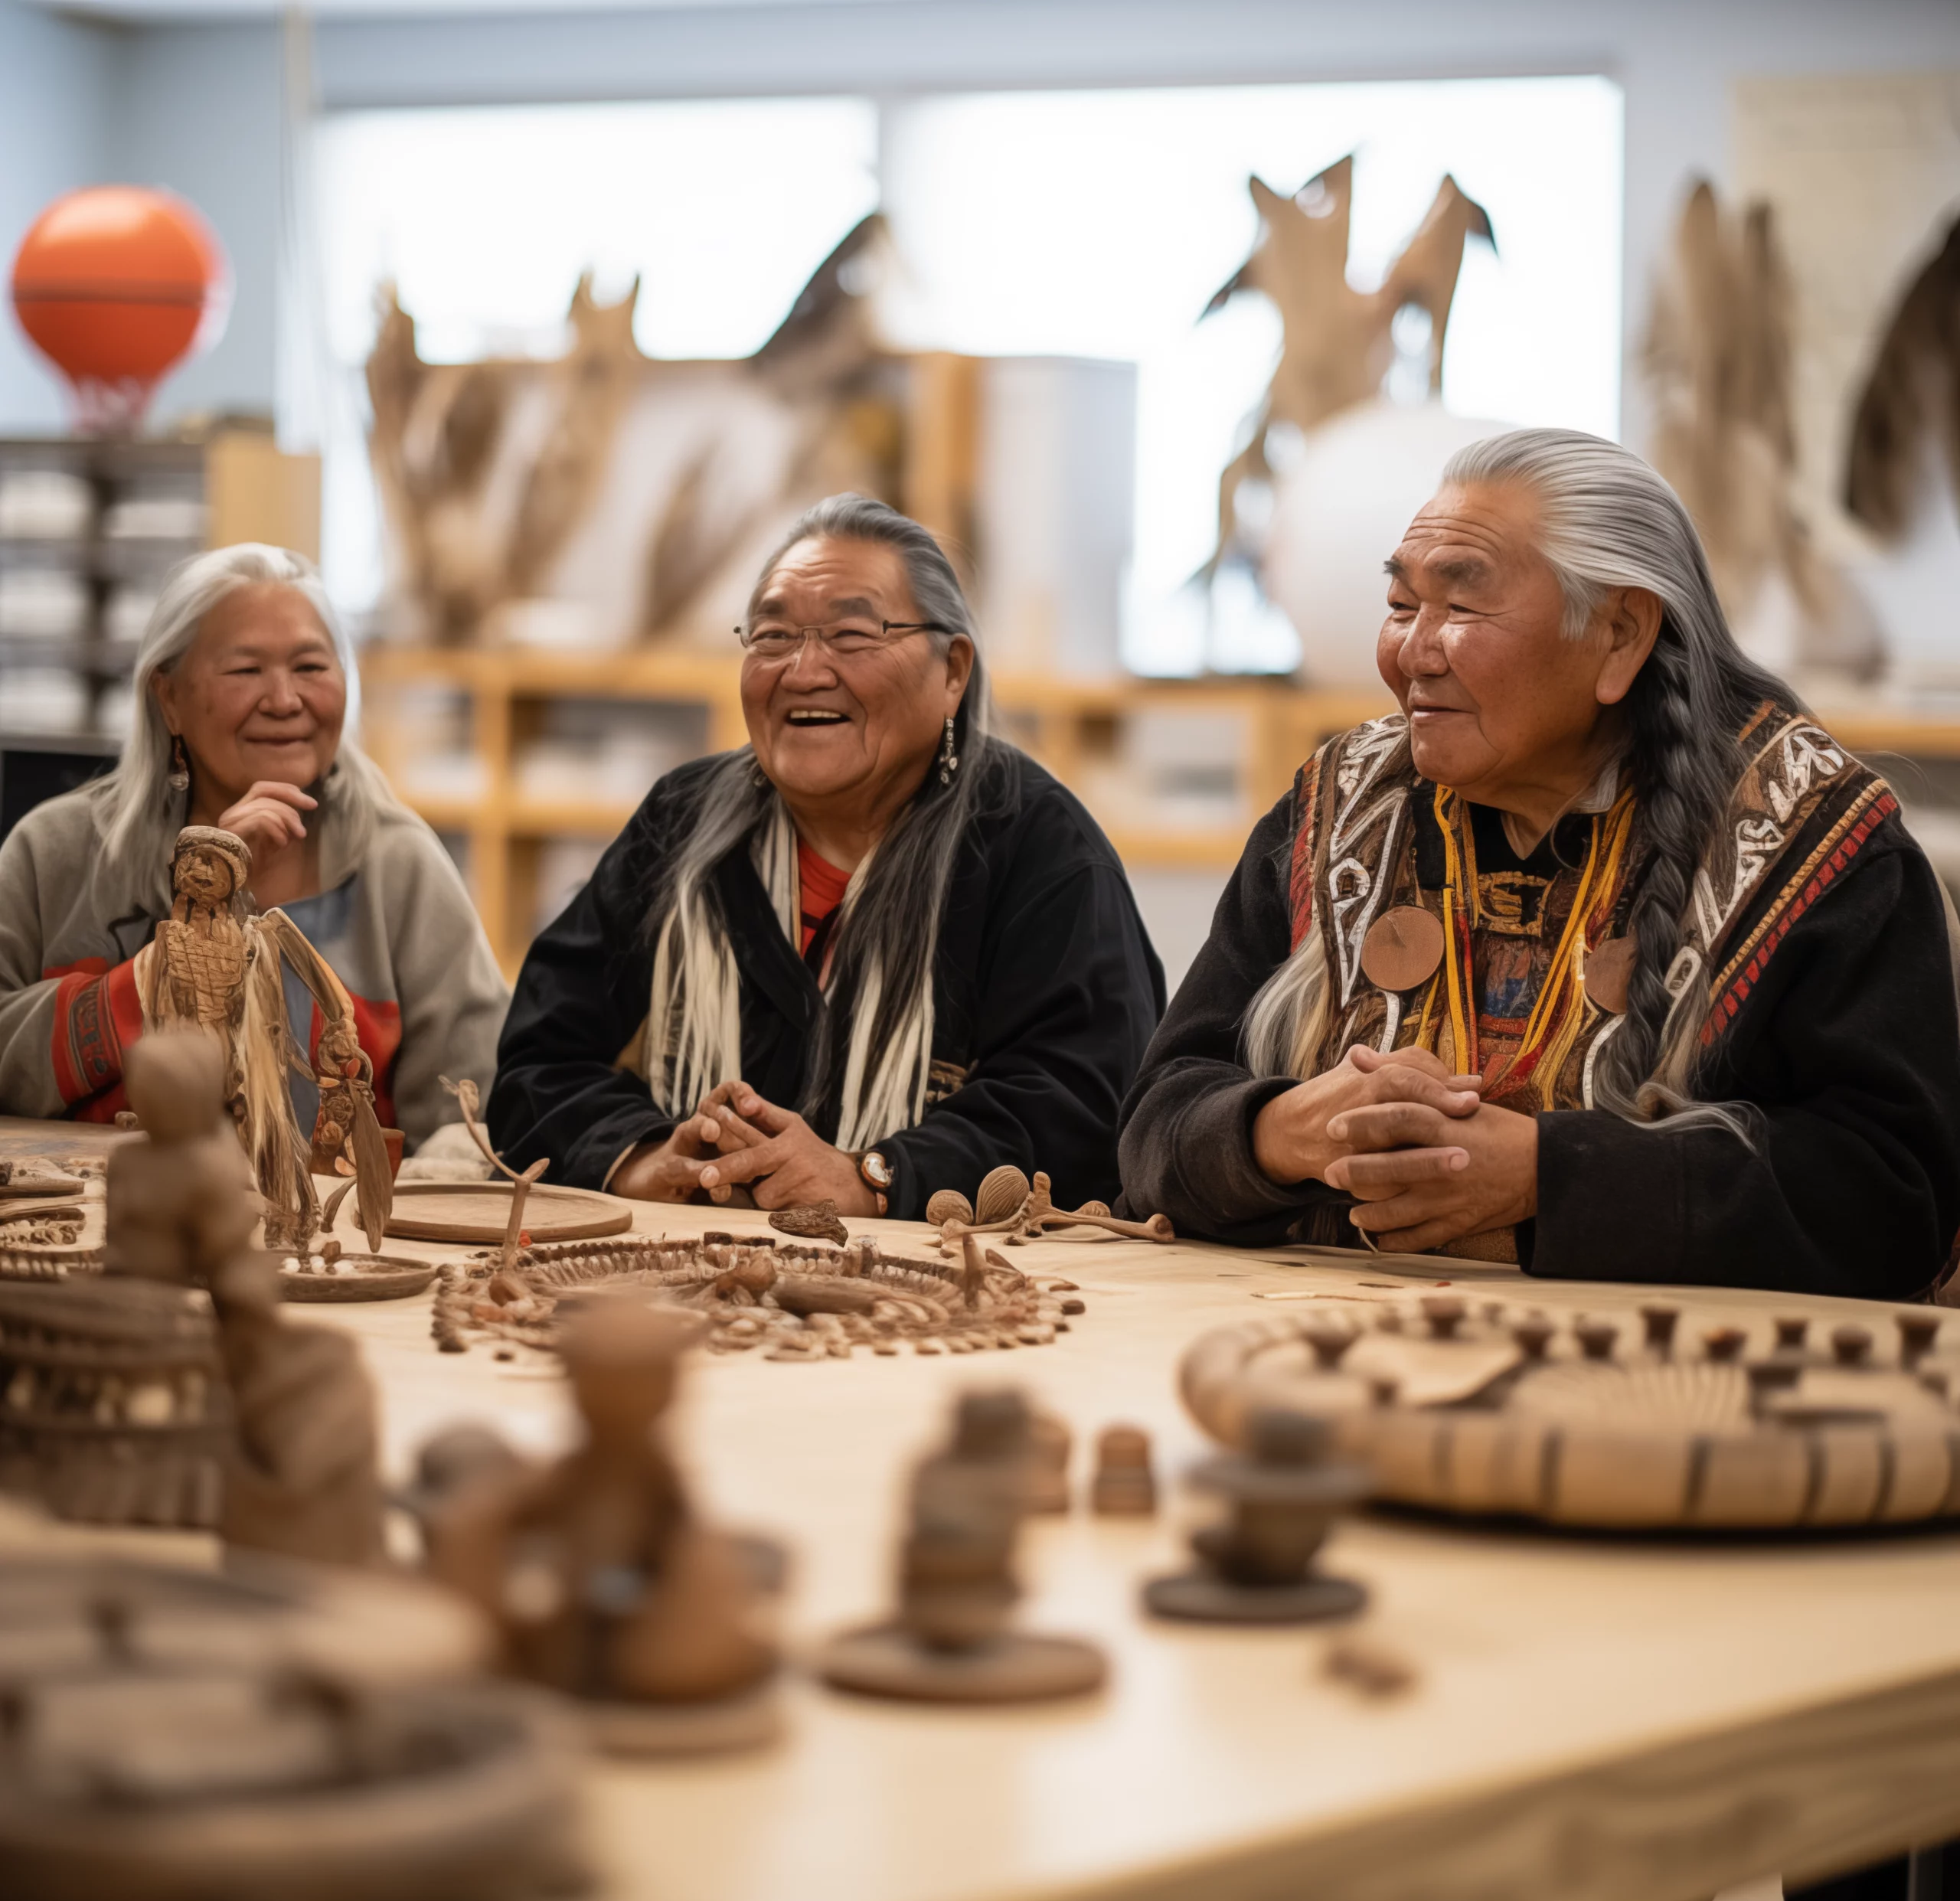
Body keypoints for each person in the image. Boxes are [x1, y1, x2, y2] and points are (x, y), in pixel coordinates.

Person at [1119, 428, 1960, 1301]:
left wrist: (1545, 1175)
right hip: (1333, 1358)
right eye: (1403, 605)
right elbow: (1152, 1125)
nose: (1412, 651)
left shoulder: (1812, 841)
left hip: (1682, 1394)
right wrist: (1284, 1132)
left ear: (1620, 635)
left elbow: (1892, 1200)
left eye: (1463, 607)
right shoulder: (1333, 813)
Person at [489, 493, 1163, 1218]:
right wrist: (650, 1160)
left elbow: (1089, 1110)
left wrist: (874, 1178)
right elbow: (539, 1064)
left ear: (953, 672)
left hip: (954, 1299)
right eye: (773, 636)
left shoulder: (1038, 850)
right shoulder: (681, 825)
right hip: (695, 1268)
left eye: (851, 634)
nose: (805, 670)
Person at [0, 543, 507, 1150]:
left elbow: (472, 1108)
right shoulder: (56, 851)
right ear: (169, 699)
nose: (285, 700)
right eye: (246, 671)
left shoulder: (400, 865)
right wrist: (178, 955)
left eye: (311, 667)